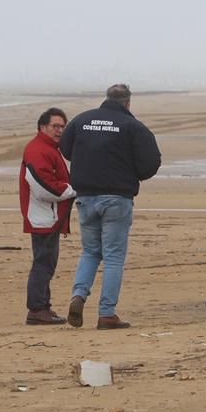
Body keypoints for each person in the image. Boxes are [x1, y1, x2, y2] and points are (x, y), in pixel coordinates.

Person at [61, 84, 162, 329]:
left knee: (90, 252)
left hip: (86, 196)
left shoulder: (82, 120)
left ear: (106, 99)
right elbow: (151, 161)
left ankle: (79, 295)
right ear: (128, 102)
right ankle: (106, 312)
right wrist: (132, 174)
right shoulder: (132, 126)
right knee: (114, 257)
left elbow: (66, 148)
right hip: (117, 197)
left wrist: (89, 161)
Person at [19, 107, 76, 325]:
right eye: (55, 126)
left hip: (49, 216)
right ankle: (36, 309)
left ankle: (43, 306)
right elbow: (43, 185)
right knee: (43, 263)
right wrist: (72, 190)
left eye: (62, 126)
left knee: (47, 262)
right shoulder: (37, 149)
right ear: (42, 127)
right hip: (42, 217)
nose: (60, 130)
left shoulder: (50, 148)